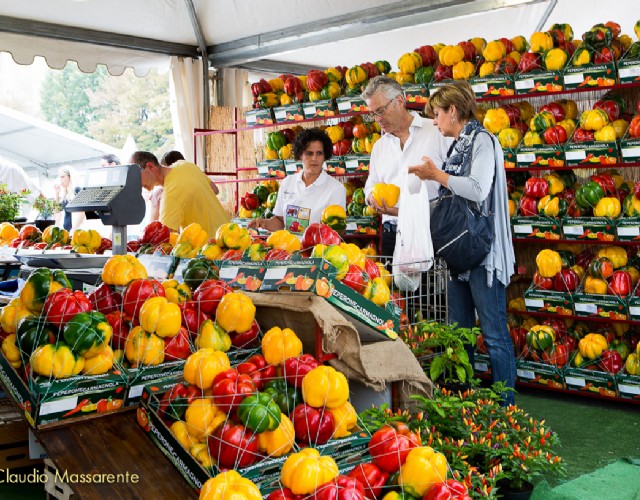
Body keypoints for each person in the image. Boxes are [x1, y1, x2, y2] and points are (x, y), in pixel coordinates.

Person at [408, 80, 516, 405]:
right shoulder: (458, 145)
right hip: (459, 254)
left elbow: (478, 189)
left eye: (438, 114)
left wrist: (437, 175)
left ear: (453, 111)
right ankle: (463, 404)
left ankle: (506, 408)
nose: (436, 122)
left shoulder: (482, 140)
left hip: (483, 253)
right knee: (460, 334)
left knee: (494, 335)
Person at [361, 76, 450, 258]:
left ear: (399, 101)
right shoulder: (379, 147)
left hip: (430, 230)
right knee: (392, 287)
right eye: (372, 113)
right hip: (392, 234)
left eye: (381, 110)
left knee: (431, 286)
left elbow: (453, 180)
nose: (377, 118)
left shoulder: (436, 132)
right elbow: (371, 185)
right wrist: (371, 197)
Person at [248, 128, 345, 235]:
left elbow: (337, 230)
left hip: (317, 250)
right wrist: (264, 223)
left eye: (319, 153)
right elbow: (280, 222)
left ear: (325, 155)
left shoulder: (336, 189)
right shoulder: (287, 183)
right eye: (309, 153)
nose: (314, 158)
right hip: (289, 248)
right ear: (300, 155)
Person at [129, 151, 229, 237]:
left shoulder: (170, 196)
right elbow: (214, 189)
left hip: (210, 248)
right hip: (229, 232)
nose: (137, 184)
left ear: (150, 167)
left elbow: (165, 238)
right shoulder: (185, 165)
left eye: (136, 176)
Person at [53, 166, 81, 231]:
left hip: (76, 232)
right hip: (68, 231)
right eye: (59, 177)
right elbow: (56, 211)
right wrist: (57, 194)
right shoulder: (66, 194)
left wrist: (73, 230)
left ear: (70, 177)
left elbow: (81, 215)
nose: (60, 180)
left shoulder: (77, 191)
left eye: (62, 177)